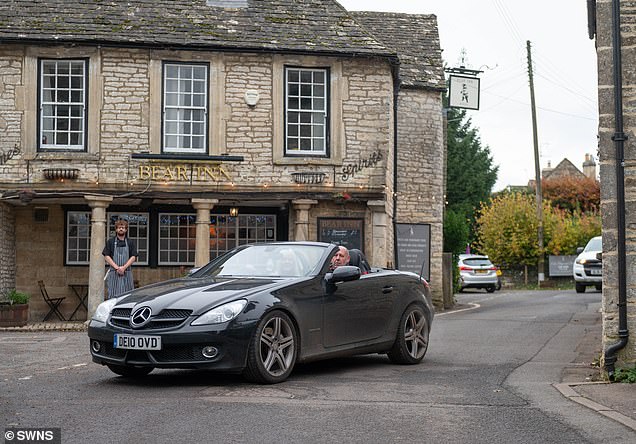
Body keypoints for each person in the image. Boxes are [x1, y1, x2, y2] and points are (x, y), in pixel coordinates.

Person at [102, 219, 138, 299]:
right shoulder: (110, 242)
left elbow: (133, 257)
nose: (121, 229)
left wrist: (124, 268)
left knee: (128, 297)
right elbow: (106, 256)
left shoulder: (130, 242)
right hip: (114, 273)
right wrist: (117, 268)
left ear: (126, 229)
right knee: (113, 298)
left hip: (127, 273)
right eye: (119, 227)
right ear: (116, 229)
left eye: (123, 227)